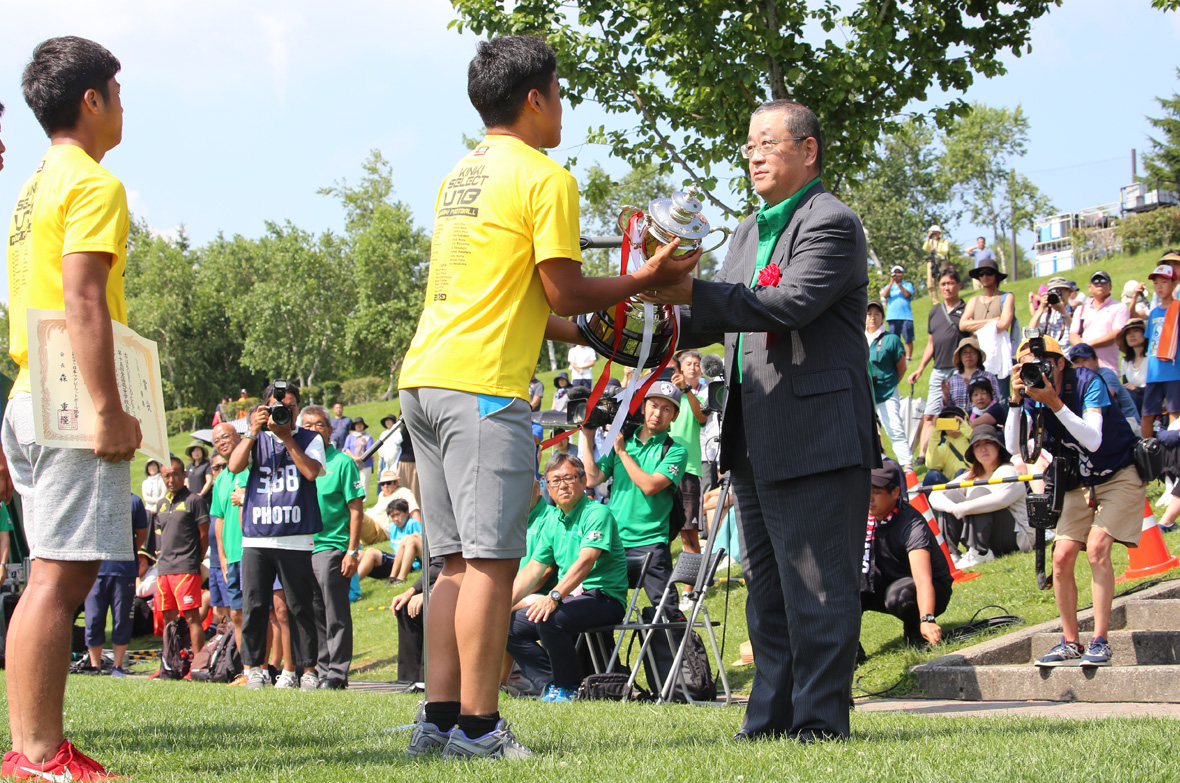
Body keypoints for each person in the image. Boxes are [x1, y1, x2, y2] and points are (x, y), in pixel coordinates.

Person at [397, 35, 699, 760]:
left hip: (423, 380)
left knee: (453, 566)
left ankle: (438, 723)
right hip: (484, 390)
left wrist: (594, 335)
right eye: (559, 93)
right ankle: (477, 727)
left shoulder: (458, 175)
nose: (562, 106)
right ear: (535, 99)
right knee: (492, 564)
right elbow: (563, 286)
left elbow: (529, 298)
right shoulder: (544, 176)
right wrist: (644, 278)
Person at [645, 99, 876, 742]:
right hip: (753, 437)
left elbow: (792, 302)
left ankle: (820, 723)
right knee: (766, 594)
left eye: (768, 142)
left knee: (818, 591)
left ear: (808, 150)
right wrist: (637, 305)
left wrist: (687, 292)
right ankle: (768, 719)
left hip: (818, 436)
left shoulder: (831, 221)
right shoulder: (747, 232)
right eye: (748, 144)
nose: (753, 154)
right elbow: (713, 314)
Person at [2, 36, 139, 780]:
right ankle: (39, 752)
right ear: (92, 99)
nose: (124, 104)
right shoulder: (90, 183)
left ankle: (30, 748)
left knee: (50, 574)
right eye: (118, 90)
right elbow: (83, 297)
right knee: (59, 577)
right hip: (67, 401)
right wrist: (106, 408)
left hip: (27, 394)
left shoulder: (31, 187)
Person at [1005, 336, 1144, 668]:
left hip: (1119, 472)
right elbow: (1014, 447)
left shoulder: (1088, 382)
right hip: (1079, 480)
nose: (1035, 371)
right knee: (1062, 557)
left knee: (1097, 547)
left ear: (1061, 363)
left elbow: (1093, 440)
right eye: (1026, 367)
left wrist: (1055, 403)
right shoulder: (1033, 394)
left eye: (1042, 364)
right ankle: (1070, 642)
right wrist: (1015, 400)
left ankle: (1101, 640)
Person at [227, 383, 326, 691]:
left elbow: (311, 473)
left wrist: (286, 437)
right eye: (276, 407)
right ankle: (253, 668)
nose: (285, 412)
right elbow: (234, 465)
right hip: (257, 536)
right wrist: (252, 432)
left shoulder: (310, 438)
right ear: (263, 409)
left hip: (295, 536)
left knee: (299, 607)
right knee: (254, 605)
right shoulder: (255, 439)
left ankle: (307, 670)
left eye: (291, 406)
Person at [507, 453, 628, 702]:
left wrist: (554, 596)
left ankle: (568, 687)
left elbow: (585, 562)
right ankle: (550, 684)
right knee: (509, 626)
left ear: (583, 481)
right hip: (570, 599)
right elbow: (532, 569)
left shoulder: (597, 513)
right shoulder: (553, 520)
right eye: (554, 481)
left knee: (551, 618)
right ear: (547, 488)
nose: (562, 485)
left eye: (569, 478)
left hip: (603, 598)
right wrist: (502, 605)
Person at [581, 382, 687, 610]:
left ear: (675, 416)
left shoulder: (676, 451)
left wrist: (621, 452)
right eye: (654, 405)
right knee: (597, 606)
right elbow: (591, 479)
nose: (658, 413)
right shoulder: (623, 441)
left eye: (666, 409)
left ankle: (677, 646)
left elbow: (649, 486)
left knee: (665, 612)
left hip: (651, 542)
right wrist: (588, 438)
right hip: (614, 541)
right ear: (643, 408)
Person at [301, 405, 364, 690]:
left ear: (330, 429)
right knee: (313, 611)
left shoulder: (341, 463)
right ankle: (322, 669)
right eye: (308, 424)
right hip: (303, 547)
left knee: (334, 611)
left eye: (320, 425)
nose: (314, 429)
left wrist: (352, 550)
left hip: (332, 547)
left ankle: (337, 672)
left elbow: (356, 509)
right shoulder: (297, 462)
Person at [862, 462, 952, 648]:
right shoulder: (862, 518)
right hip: (885, 581)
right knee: (843, 588)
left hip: (927, 589)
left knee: (900, 595)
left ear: (895, 493)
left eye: (877, 492)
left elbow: (923, 578)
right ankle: (850, 651)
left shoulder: (912, 525)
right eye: (867, 490)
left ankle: (916, 630)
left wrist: (927, 618)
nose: (870, 498)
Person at [928, 425, 1032, 568]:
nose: (983, 449)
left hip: (1015, 537)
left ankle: (980, 552)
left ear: (998, 447)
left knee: (979, 494)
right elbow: (935, 494)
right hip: (989, 534)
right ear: (973, 452)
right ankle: (951, 554)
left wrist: (964, 508)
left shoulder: (1008, 471)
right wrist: (953, 507)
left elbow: (1000, 500)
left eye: (988, 443)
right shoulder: (970, 476)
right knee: (951, 494)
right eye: (977, 445)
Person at [80, 495, 149, 677]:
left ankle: (117, 666)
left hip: (123, 570)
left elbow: (141, 533)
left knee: (122, 620)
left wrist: (124, 550)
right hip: (95, 570)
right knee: (93, 619)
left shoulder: (134, 501)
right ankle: (95, 665)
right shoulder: (92, 497)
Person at [908, 268, 967, 461]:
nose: (947, 288)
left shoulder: (966, 310)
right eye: (943, 284)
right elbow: (931, 344)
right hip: (938, 369)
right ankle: (924, 454)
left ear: (959, 285)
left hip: (960, 370)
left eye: (950, 283)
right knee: (929, 415)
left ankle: (956, 449)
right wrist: (920, 368)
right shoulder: (935, 311)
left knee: (957, 414)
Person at [155, 456, 210, 654]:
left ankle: (197, 665)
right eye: (166, 476)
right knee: (167, 619)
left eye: (175, 475)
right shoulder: (161, 504)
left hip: (187, 567)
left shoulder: (195, 501)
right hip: (164, 569)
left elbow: (204, 535)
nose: (171, 480)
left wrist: (197, 558)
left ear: (184, 475)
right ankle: (170, 663)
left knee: (191, 617)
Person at [210, 422, 248, 652]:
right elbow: (219, 519)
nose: (222, 442)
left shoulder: (250, 468)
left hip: (251, 551)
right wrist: (222, 557)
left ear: (238, 436)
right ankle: (246, 669)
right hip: (231, 555)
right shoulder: (221, 479)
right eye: (217, 440)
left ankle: (269, 667)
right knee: (236, 614)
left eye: (226, 436)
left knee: (266, 613)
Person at [669, 351, 709, 562]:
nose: (693, 367)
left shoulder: (698, 398)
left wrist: (686, 390)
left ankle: (690, 592)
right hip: (661, 470)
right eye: (688, 363)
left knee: (689, 534)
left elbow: (701, 416)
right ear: (680, 369)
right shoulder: (664, 396)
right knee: (659, 535)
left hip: (689, 470)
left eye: (697, 364)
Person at [959, 258, 1016, 399]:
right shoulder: (974, 300)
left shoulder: (1006, 297)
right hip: (977, 356)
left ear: (995, 275)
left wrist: (975, 325)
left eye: (988, 273)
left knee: (1001, 397)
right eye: (981, 274)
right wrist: (992, 321)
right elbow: (963, 325)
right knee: (978, 395)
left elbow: (1004, 324)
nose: (984, 276)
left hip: (999, 355)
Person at [866, 300, 913, 466]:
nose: (872, 318)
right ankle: (874, 468)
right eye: (869, 314)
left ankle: (907, 466)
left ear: (883, 317)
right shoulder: (858, 338)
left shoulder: (891, 339)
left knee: (894, 428)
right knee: (867, 433)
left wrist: (892, 384)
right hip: (865, 394)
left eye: (877, 314)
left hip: (886, 392)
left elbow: (902, 366)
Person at [390, 555, 445, 683]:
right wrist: (411, 591)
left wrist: (433, 591)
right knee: (405, 607)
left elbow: (460, 565)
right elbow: (439, 564)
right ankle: (409, 682)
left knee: (430, 606)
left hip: (467, 584)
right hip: (445, 581)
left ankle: (429, 682)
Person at [1142, 263, 1180, 437]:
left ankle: (1174, 453)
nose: (1159, 287)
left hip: (1174, 371)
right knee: (1147, 413)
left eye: (1164, 282)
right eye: (1156, 283)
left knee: (1174, 413)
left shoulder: (1178, 308)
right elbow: (1150, 341)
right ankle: (1146, 453)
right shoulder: (1154, 313)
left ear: (1174, 284)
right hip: (1154, 372)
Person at [1069, 270, 1129, 374]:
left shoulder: (1120, 307)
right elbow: (1073, 334)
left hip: (1107, 369)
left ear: (1110, 286)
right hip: (1083, 370)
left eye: (1104, 281)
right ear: (1090, 287)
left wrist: (1088, 346)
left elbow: (1116, 334)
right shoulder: (1081, 309)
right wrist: (1084, 350)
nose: (1099, 283)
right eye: (1095, 281)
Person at [1069, 343, 1140, 428]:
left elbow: (1101, 401)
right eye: (1076, 362)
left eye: (1085, 360)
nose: (1081, 365)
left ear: (1096, 361)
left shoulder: (1106, 374)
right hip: (1104, 425)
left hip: (1128, 422)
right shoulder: (1074, 380)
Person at [361, 469, 421, 545]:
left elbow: (414, 510)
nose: (385, 486)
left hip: (379, 530)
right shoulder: (381, 495)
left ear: (396, 482)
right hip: (367, 526)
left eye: (388, 483)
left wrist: (419, 532)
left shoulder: (403, 492)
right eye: (382, 484)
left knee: (354, 512)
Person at [205, 455, 231, 625]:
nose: (220, 470)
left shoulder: (233, 489)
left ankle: (238, 650)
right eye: (216, 468)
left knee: (233, 612)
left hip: (229, 562)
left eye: (224, 466)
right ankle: (224, 648)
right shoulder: (214, 494)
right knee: (219, 613)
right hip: (214, 563)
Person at [944, 336, 1000, 411]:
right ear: (960, 357)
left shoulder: (989, 377)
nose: (968, 355)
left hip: (983, 420)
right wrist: (945, 395)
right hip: (958, 420)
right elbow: (946, 408)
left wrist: (974, 386)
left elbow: (995, 403)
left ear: (978, 356)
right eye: (965, 353)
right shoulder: (953, 380)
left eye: (972, 352)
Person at [922, 405, 971, 488]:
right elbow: (932, 465)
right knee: (932, 474)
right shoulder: (944, 446)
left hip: (971, 483)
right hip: (950, 486)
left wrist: (966, 429)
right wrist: (935, 431)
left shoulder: (971, 440)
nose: (952, 424)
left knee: (961, 472)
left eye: (956, 421)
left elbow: (979, 442)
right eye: (947, 422)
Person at [1029, 276, 1074, 352]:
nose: (1058, 295)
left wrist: (1063, 311)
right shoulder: (1046, 316)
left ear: (1069, 292)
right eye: (1054, 292)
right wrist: (1041, 308)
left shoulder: (1075, 311)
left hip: (1069, 356)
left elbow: (1077, 331)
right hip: (1051, 356)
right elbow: (1031, 331)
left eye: (1060, 291)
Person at [881, 265, 915, 359]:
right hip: (892, 316)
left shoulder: (907, 285)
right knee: (894, 339)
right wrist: (892, 283)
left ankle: (908, 357)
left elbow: (907, 294)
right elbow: (885, 294)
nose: (897, 274)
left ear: (903, 274)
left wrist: (899, 284)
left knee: (908, 338)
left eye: (899, 272)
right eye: (895, 273)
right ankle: (896, 357)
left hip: (906, 316)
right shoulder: (889, 286)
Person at [1117, 318, 1148, 415]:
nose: (1132, 335)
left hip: (1150, 402)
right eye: (1128, 333)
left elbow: (1159, 389)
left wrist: (1137, 390)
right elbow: (1126, 386)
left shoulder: (1152, 359)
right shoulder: (1126, 362)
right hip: (1132, 402)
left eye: (1136, 331)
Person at [922, 225, 951, 304]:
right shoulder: (930, 241)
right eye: (933, 233)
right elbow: (924, 248)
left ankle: (947, 298)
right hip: (932, 261)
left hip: (942, 261)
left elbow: (945, 251)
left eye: (936, 233)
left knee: (944, 280)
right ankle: (935, 302)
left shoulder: (944, 241)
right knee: (930, 282)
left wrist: (936, 250)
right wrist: (928, 239)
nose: (935, 234)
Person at [343, 417, 374, 491]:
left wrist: (361, 458)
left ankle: (363, 501)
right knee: (355, 483)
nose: (359, 426)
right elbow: (346, 449)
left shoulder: (368, 436)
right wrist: (354, 458)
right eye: (357, 424)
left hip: (366, 463)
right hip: (353, 463)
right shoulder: (350, 437)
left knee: (364, 483)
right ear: (354, 426)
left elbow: (370, 449)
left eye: (361, 424)